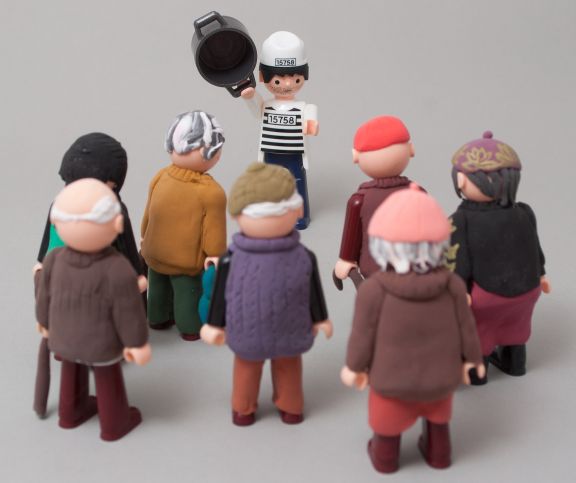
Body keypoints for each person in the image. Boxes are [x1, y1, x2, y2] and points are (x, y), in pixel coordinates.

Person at [341, 184, 483, 473]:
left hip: (390, 380)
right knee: (438, 421)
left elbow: (362, 335)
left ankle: (385, 458)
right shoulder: (453, 286)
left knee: (387, 424)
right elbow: (466, 327)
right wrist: (472, 360)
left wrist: (354, 367)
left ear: (381, 244)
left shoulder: (373, 290)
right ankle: (439, 454)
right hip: (441, 378)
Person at [201, 163, 332, 426]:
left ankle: (290, 406)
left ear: (297, 210)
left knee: (287, 368)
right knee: (248, 369)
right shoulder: (231, 259)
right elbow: (220, 293)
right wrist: (214, 324)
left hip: (289, 329)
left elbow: (313, 290)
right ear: (238, 217)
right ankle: (243, 407)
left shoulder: (304, 257)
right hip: (248, 331)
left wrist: (320, 318)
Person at [36, 178, 151, 441]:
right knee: (107, 377)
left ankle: (69, 413)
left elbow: (44, 297)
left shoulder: (52, 259)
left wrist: (44, 322)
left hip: (63, 339)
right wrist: (136, 343)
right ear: (117, 224)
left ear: (56, 223)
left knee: (71, 370)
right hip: (102, 343)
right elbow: (128, 312)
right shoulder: (117, 268)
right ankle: (114, 423)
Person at [447, 131, 550, 384]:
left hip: (485, 297)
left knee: (477, 332)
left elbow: (457, 261)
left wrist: (459, 291)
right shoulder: (524, 212)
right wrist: (541, 275)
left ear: (461, 179)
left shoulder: (461, 220)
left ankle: (477, 373)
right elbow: (534, 249)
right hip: (528, 292)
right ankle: (516, 364)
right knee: (517, 327)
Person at [141, 111, 226, 340]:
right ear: (206, 149)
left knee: (157, 288)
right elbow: (213, 232)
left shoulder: (160, 176)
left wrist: (144, 236)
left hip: (154, 251)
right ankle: (190, 327)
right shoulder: (211, 192)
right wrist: (216, 255)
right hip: (185, 260)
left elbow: (149, 212)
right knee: (187, 292)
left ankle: (157, 318)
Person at [240, 31, 318, 229]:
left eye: (296, 79)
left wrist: (311, 125)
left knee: (298, 183)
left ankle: (300, 216)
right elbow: (256, 110)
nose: (288, 84)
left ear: (305, 76)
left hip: (295, 155)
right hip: (270, 153)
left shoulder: (304, 107)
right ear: (262, 77)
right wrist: (250, 96)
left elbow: (311, 118)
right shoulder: (266, 105)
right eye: (278, 80)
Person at [334, 116, 417, 286]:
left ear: (355, 156)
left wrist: (346, 259)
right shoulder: (418, 194)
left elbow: (352, 237)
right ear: (411, 149)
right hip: (414, 269)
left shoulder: (359, 201)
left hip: (374, 271)